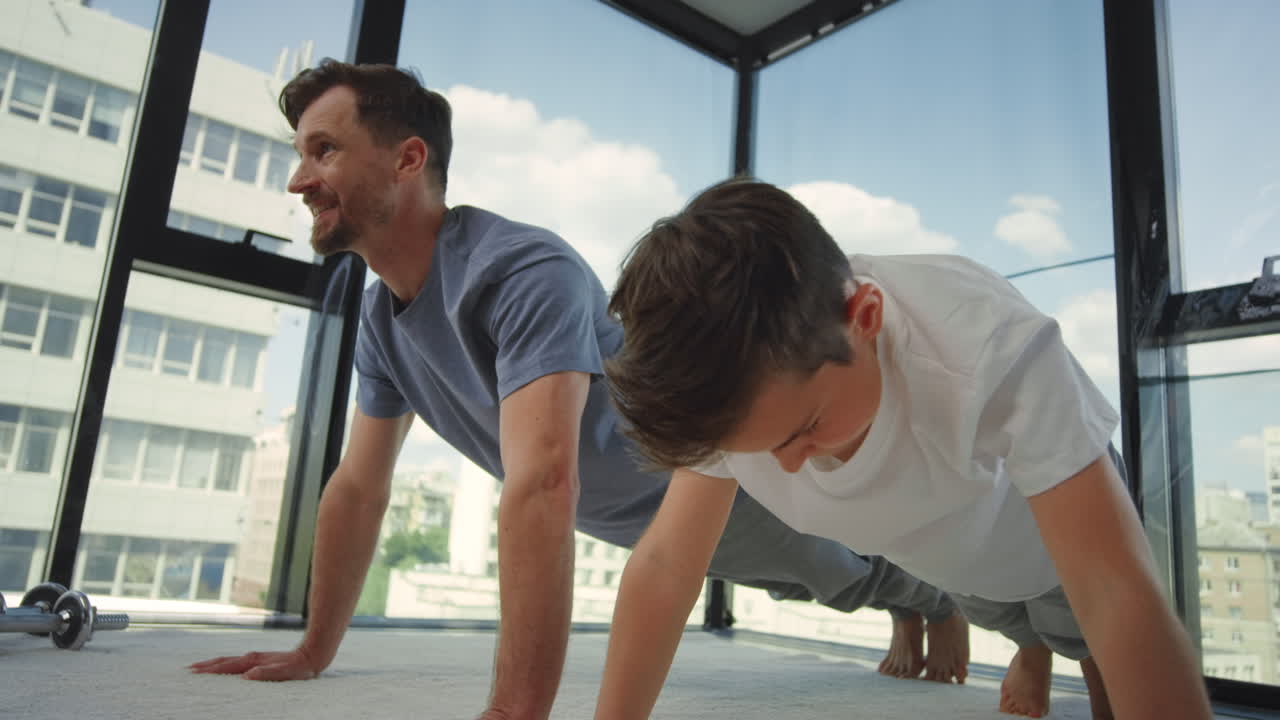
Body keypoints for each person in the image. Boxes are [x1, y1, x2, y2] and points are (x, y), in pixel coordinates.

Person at [184, 61, 970, 717]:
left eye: (322, 150)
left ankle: (940, 600)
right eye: (300, 154)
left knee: (838, 572)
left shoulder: (521, 269)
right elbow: (358, 487)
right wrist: (313, 649)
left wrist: (513, 712)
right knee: (799, 583)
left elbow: (544, 479)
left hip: (713, 477)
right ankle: (914, 600)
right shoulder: (382, 320)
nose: (299, 179)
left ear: (408, 159)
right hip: (626, 522)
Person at [594, 178, 1214, 720]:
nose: (785, 467)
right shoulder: (724, 385)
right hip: (948, 551)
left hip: (1044, 529)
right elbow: (666, 567)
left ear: (864, 317)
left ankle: (1070, 657)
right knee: (1000, 611)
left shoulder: (989, 347)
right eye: (748, 451)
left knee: (1088, 639)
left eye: (803, 429)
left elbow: (1115, 589)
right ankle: (1031, 650)